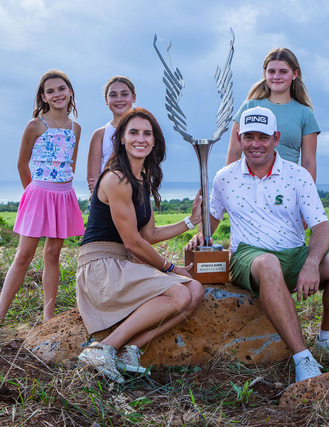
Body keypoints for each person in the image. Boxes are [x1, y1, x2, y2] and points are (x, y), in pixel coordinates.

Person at [188, 107, 329, 383]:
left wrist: (312, 264)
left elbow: (321, 226)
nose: (255, 144)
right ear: (240, 138)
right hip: (249, 256)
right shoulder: (224, 177)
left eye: (263, 137)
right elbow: (210, 222)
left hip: (293, 253)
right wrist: (199, 234)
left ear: (276, 138)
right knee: (267, 263)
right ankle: (302, 357)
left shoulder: (298, 175)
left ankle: (328, 340)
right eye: (248, 137)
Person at [77, 108, 204, 383]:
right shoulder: (116, 178)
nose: (141, 138)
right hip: (101, 269)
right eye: (133, 132)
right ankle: (103, 348)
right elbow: (133, 243)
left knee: (195, 292)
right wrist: (172, 268)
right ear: (121, 138)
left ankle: (129, 350)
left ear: (155, 141)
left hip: (120, 265)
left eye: (147, 133)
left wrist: (190, 221)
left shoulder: (141, 181)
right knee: (180, 294)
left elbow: (148, 234)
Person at [0, 70, 85, 332]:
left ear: (70, 92)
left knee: (53, 254)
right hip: (38, 194)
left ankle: (48, 320)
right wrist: (33, 195)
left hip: (64, 195)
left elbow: (71, 163)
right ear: (43, 97)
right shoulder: (35, 125)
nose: (57, 94)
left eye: (61, 89)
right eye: (50, 91)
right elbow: (22, 164)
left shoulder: (75, 128)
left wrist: (61, 189)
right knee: (24, 255)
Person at [225, 48, 321, 182]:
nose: (276, 76)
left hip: (288, 187)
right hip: (251, 186)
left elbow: (309, 162)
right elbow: (234, 153)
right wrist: (230, 187)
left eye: (283, 72)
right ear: (265, 74)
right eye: (271, 71)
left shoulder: (305, 114)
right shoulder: (249, 107)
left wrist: (308, 198)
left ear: (294, 74)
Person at [86, 76, 137, 193]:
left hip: (136, 197)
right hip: (104, 200)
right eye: (113, 95)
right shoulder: (100, 134)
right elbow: (93, 180)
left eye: (124, 94)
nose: (119, 99)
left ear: (133, 97)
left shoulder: (143, 132)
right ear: (106, 100)